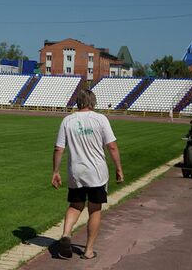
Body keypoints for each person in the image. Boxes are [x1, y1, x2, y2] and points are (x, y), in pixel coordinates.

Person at [51, 89, 124, 260]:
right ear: (93, 102)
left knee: (75, 205)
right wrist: (119, 168)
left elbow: (59, 148)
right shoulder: (100, 119)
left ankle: (67, 234)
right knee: (94, 209)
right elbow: (112, 146)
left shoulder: (67, 121)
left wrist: (55, 171)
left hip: (76, 171)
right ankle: (89, 250)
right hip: (97, 173)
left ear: (78, 102)